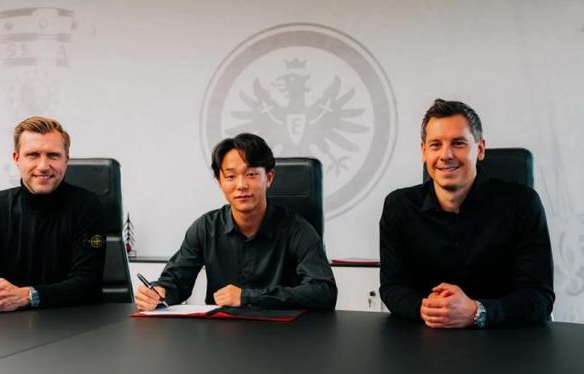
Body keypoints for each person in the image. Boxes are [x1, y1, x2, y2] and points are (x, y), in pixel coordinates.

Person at [379, 99, 554, 328]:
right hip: (425, 337)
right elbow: (392, 287)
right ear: (424, 151)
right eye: (435, 145)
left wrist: (477, 311)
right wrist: (427, 309)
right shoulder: (399, 207)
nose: (446, 155)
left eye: (458, 143)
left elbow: (539, 297)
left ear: (480, 149)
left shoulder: (522, 204)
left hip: (504, 339)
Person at [135, 133, 337, 310]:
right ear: (219, 182)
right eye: (230, 176)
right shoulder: (205, 228)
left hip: (282, 333)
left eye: (251, 174)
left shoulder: (297, 230)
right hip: (221, 334)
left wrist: (247, 297)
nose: (241, 185)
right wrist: (159, 292)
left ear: (269, 177)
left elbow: (324, 291)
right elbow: (176, 281)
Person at [0, 116, 106, 313]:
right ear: (17, 159)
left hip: (73, 322)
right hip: (5, 323)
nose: (43, 166)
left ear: (66, 160)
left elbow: (87, 284)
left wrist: (27, 296)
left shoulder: (87, 206)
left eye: (53, 155)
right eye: (33, 155)